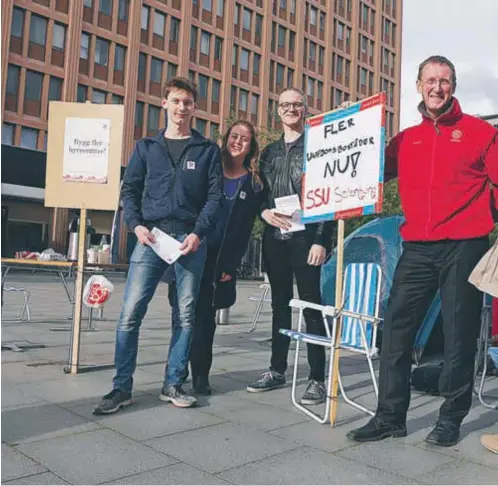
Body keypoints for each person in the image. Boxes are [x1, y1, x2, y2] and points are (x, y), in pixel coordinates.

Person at [347, 55, 498, 446]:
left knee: (459, 333)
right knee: (396, 329)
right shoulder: (406, 140)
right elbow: (365, 173)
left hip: (464, 245)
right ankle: (389, 416)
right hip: (417, 246)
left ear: (453, 86)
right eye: (430, 80)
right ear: (418, 85)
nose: (437, 87)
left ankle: (450, 418)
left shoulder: (481, 133)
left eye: (444, 81)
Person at [93, 77, 222, 414]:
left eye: (188, 103)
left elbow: (214, 198)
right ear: (164, 103)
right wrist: (135, 225)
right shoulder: (146, 147)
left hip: (190, 242)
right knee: (130, 313)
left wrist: (198, 232)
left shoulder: (207, 150)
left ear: (195, 108)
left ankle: (173, 383)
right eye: (176, 101)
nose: (182, 108)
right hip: (151, 238)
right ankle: (121, 388)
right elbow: (129, 190)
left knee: (186, 316)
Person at [246, 88, 335, 406]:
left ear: (306, 109)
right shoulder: (268, 153)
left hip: (306, 239)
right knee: (279, 305)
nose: (291, 109)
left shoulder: (318, 148)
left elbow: (330, 195)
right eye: (286, 105)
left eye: (297, 104)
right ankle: (276, 369)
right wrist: (264, 213)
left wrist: (322, 240)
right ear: (278, 111)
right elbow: (259, 196)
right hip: (276, 239)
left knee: (311, 306)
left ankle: (317, 378)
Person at [170, 120, 265, 395]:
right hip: (192, 247)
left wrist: (231, 265)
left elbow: (246, 229)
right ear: (226, 139)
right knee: (182, 312)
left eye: (245, 139)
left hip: (220, 258)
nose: (238, 142)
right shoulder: (210, 168)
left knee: (206, 318)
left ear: (251, 146)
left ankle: (201, 374)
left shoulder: (254, 182)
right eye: (234, 136)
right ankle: (178, 370)